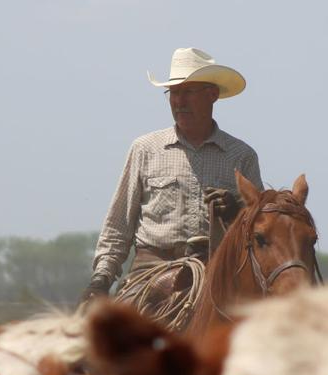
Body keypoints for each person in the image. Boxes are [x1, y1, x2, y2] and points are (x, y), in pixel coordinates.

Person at [81, 47, 263, 304]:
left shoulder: (241, 156)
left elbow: (261, 232)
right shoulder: (145, 149)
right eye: (173, 93)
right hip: (150, 274)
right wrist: (100, 280)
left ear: (212, 95)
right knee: (112, 338)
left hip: (217, 275)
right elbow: (118, 226)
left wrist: (236, 212)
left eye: (188, 92)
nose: (178, 101)